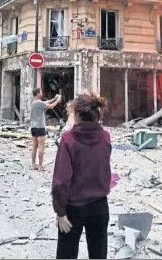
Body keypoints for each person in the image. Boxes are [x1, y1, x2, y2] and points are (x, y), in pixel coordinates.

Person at [52, 93, 111, 260]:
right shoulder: (105, 137)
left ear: (76, 115)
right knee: (99, 253)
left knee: (67, 253)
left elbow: (61, 181)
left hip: (73, 208)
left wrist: (60, 211)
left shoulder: (68, 140)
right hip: (100, 206)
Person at [30, 88, 61, 171]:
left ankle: (33, 165)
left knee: (34, 147)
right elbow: (51, 106)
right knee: (41, 147)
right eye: (41, 92)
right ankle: (40, 166)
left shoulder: (34, 102)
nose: (42, 93)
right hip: (40, 127)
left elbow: (46, 103)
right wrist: (58, 100)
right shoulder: (39, 103)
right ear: (37, 94)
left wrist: (54, 98)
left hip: (33, 127)